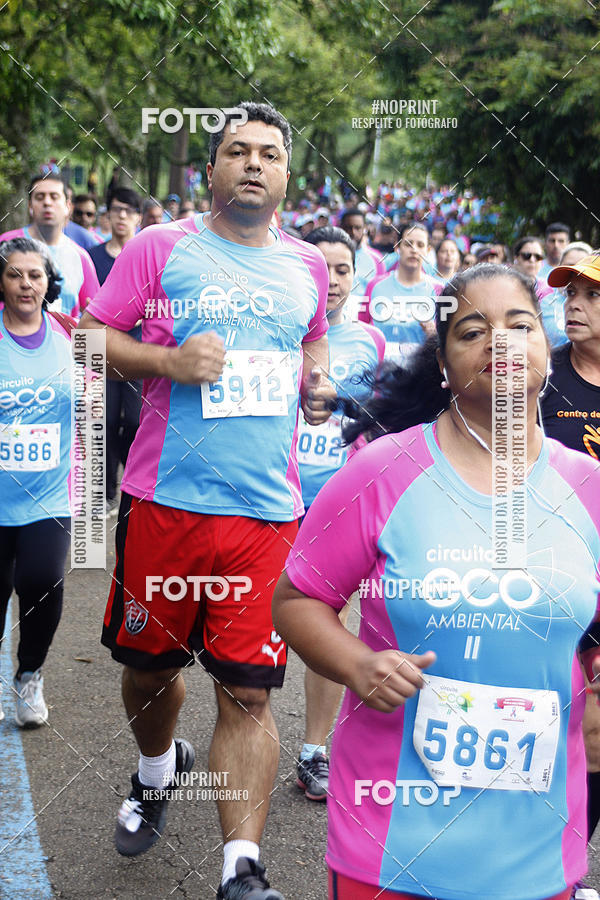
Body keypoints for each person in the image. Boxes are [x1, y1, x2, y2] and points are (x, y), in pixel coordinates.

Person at [274, 263, 600, 900]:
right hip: (391, 833)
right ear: (445, 365)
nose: (500, 342)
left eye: (520, 325)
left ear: (547, 351)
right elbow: (297, 598)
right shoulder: (383, 471)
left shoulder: (590, 488)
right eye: (473, 330)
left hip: (534, 844)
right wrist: (357, 665)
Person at [79, 100, 333, 900]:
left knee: (248, 691)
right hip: (166, 503)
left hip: (267, 515)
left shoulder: (309, 265)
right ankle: (157, 771)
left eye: (268, 153)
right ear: (211, 170)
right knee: (148, 673)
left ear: (288, 175)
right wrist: (167, 363)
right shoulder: (163, 246)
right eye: (237, 151)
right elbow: (90, 341)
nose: (253, 163)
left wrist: (316, 380)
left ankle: (241, 870)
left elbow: (314, 334)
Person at [295, 225, 385, 802]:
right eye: (323, 267)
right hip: (270, 496)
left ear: (357, 277)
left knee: (327, 621)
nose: (333, 279)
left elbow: (380, 410)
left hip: (339, 500)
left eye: (345, 268)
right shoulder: (279, 327)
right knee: (252, 624)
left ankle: (312, 751)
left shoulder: (371, 341)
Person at [539, 250, 600, 900]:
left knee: (597, 731)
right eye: (570, 293)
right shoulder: (541, 380)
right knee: (550, 719)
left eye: (591, 295)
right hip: (547, 575)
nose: (574, 304)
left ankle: (568, 868)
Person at [0, 237, 73, 727]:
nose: (26, 283)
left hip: (49, 494)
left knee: (42, 581)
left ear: (49, 284)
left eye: (35, 275)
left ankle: (29, 676)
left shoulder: (71, 332)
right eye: (14, 274)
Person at [88, 188, 143, 516]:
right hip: (101, 354)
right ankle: (107, 491)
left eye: (128, 210)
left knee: (136, 422)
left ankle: (132, 480)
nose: (121, 216)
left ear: (138, 216)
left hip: (139, 354)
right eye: (116, 210)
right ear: (107, 216)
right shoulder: (93, 257)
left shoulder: (145, 254)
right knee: (104, 420)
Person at [0, 175, 99, 317]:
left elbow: (92, 317)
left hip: (67, 338)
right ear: (30, 205)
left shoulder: (81, 257)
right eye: (40, 197)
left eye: (54, 197)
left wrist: (81, 340)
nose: (47, 202)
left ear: (68, 206)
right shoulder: (6, 244)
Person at [360, 222, 441, 364]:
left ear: (428, 250)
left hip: (420, 374)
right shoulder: (375, 286)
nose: (414, 250)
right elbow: (360, 329)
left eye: (420, 245)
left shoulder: (439, 290)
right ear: (397, 247)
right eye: (408, 244)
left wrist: (434, 335)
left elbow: (448, 342)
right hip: (379, 374)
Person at [512, 236, 562, 346]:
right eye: (526, 256)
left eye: (538, 257)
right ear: (516, 258)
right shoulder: (503, 287)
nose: (532, 260)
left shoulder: (552, 289)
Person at [340, 208, 385, 294]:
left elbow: (381, 293)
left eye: (357, 228)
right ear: (341, 228)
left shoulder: (376, 260)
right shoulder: (331, 256)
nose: (353, 232)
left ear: (364, 229)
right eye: (348, 228)